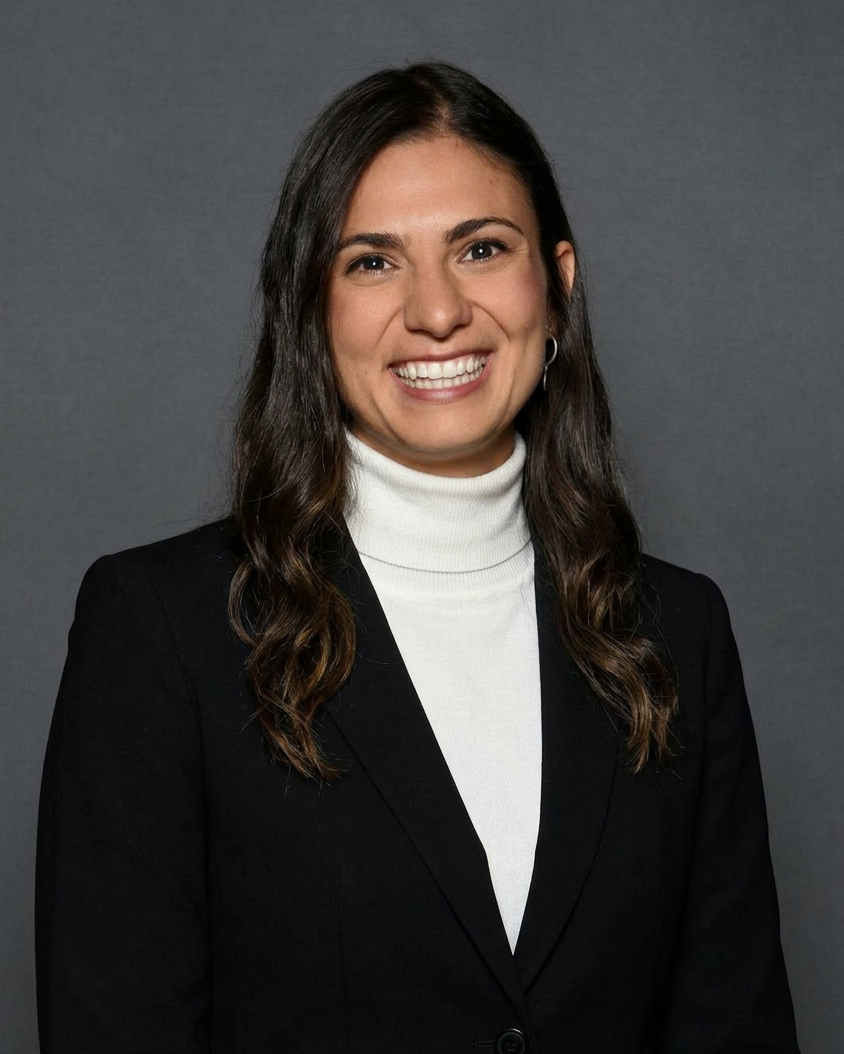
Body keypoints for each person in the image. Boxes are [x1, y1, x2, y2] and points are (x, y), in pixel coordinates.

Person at [35, 61, 800, 1054]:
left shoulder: (678, 633)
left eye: (481, 249)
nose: (437, 311)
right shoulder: (161, 629)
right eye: (372, 261)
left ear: (556, 285)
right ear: (311, 308)